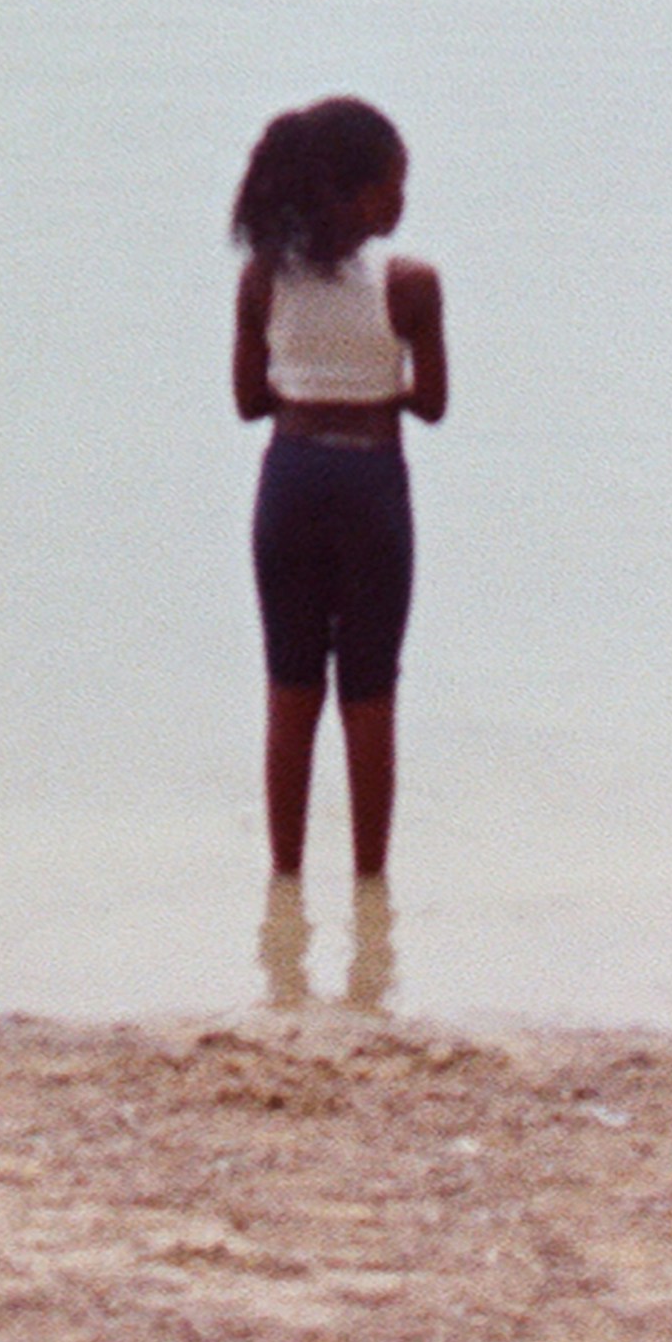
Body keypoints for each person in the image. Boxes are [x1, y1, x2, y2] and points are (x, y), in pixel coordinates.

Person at [229, 92, 448, 902]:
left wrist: (309, 391)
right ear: (355, 194)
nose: (402, 200)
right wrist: (374, 393)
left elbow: (250, 400)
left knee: (290, 688)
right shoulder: (412, 284)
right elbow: (432, 403)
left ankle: (284, 880)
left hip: (289, 485)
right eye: (394, 184)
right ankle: (369, 885)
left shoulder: (262, 280)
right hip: (371, 489)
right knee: (369, 692)